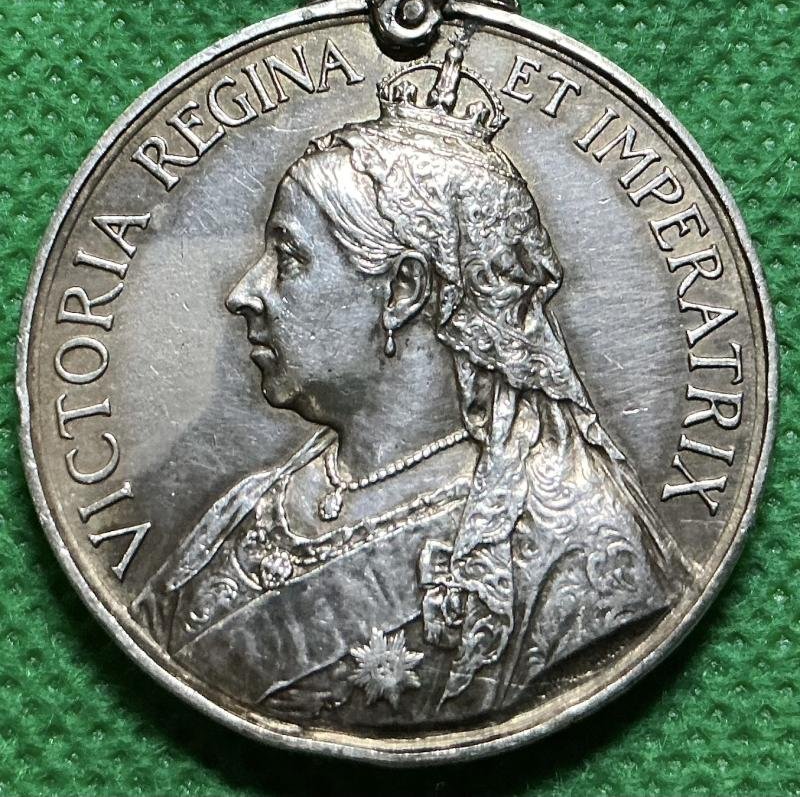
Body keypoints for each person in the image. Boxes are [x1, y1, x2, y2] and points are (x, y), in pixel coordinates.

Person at [132, 38, 682, 725]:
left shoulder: (575, 543)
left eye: (289, 256)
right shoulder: (243, 510)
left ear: (402, 290)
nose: (245, 292)